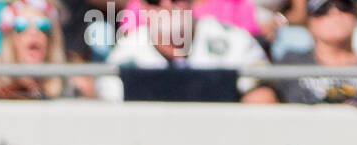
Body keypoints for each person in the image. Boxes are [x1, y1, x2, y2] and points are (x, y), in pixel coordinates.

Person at [95, 0, 278, 102]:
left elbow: (262, 99)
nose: (167, 5)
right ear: (142, 7)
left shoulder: (234, 42)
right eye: (154, 0)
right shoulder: (125, 55)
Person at [271, 0, 357, 104]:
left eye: (344, 6)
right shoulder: (291, 63)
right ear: (308, 22)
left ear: (356, 15)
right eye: (322, 9)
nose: (335, 13)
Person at [0, 0, 93, 97]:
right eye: (21, 26)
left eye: (42, 26)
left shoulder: (75, 83)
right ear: (10, 37)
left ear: (52, 37)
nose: (33, 32)